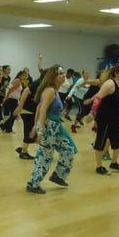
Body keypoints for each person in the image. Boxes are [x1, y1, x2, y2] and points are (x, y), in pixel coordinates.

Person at [26, 66, 76, 194]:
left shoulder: (55, 90)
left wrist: (35, 125)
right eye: (60, 73)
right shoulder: (50, 90)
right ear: (53, 76)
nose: (63, 75)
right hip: (49, 126)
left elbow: (38, 107)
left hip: (55, 126)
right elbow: (42, 109)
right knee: (45, 156)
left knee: (68, 150)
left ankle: (58, 176)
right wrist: (40, 129)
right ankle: (33, 183)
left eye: (63, 73)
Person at [93, 64, 119, 174]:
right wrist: (92, 113)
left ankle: (114, 163)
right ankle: (99, 167)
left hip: (117, 120)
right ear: (115, 73)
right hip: (106, 119)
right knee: (101, 142)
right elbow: (98, 98)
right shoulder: (110, 84)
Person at [13, 70, 47, 160]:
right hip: (27, 111)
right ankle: (23, 152)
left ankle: (22, 148)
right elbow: (25, 91)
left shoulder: (42, 83)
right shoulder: (39, 83)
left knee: (30, 131)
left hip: (30, 110)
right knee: (29, 132)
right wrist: (19, 107)